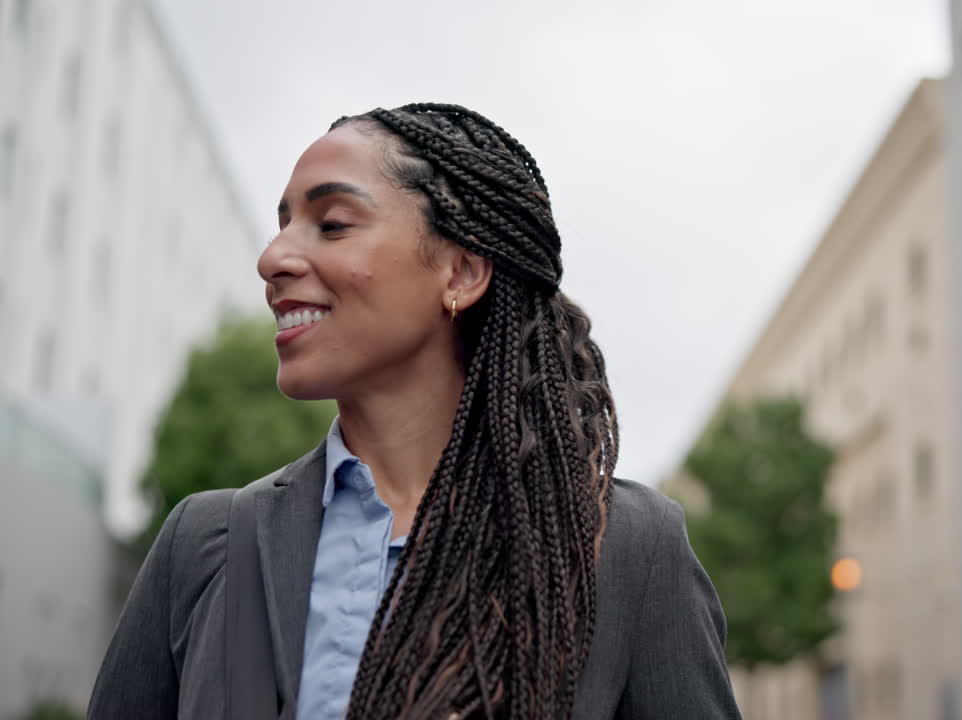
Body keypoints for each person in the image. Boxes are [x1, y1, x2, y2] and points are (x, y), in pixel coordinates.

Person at [88, 104, 741, 719]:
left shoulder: (625, 548)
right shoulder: (207, 543)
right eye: (281, 223)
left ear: (460, 273)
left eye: (333, 223)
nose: (273, 258)